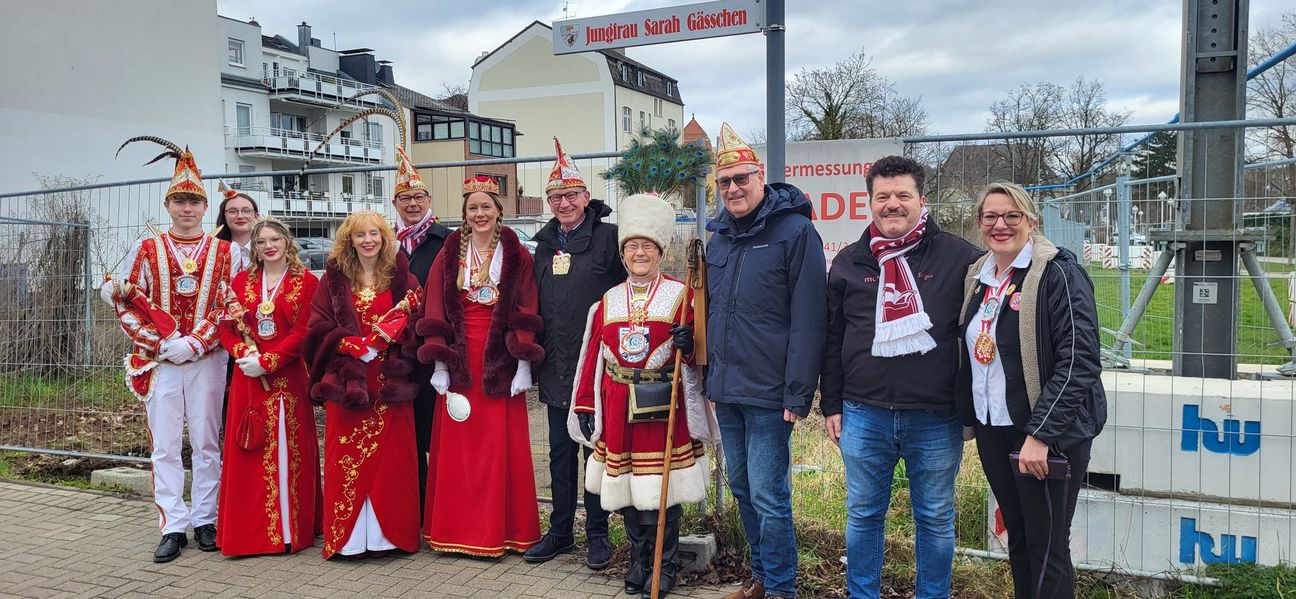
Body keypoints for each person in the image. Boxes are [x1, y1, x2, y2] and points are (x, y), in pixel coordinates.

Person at [819, 155, 981, 599]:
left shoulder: (962, 259)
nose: (892, 204)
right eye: (883, 196)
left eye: (902, 195)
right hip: (862, 413)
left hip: (935, 416)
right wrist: (831, 404)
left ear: (921, 200)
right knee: (864, 514)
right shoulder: (850, 262)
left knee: (933, 516)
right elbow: (833, 339)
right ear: (869, 202)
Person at [955, 182, 1105, 599]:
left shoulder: (1058, 273)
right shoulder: (979, 276)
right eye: (990, 217)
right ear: (980, 223)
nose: (1000, 225)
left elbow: (1080, 361)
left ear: (1031, 221)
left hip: (1044, 434)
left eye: (1011, 216)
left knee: (1048, 546)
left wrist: (1040, 436)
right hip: (994, 428)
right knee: (1019, 538)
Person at [568, 193, 718, 598]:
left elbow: (702, 351)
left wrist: (692, 340)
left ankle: (663, 567)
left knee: (662, 488)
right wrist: (584, 404)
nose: (639, 253)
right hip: (617, 406)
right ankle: (639, 559)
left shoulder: (681, 295)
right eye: (632, 247)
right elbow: (591, 359)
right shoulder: (607, 303)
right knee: (629, 490)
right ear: (622, 254)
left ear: (660, 251)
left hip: (663, 406)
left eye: (647, 247)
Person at [705, 124, 827, 599]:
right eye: (725, 182)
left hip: (772, 393)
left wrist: (798, 392)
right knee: (740, 486)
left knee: (770, 496)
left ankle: (781, 588)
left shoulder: (795, 232)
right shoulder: (718, 240)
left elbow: (810, 319)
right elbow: (713, 308)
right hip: (727, 388)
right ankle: (760, 576)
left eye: (742, 179)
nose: (733, 188)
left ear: (761, 177)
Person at [101, 138, 234, 562]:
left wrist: (197, 340)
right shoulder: (145, 249)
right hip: (160, 362)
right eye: (179, 200)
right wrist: (159, 342)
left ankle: (206, 519)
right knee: (165, 445)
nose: (187, 208)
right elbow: (125, 301)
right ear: (168, 204)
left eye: (194, 201)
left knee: (208, 441)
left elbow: (231, 304)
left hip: (207, 359)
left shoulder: (227, 252)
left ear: (203, 205)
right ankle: (172, 525)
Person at [416, 175, 544, 557]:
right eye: (473, 207)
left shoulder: (516, 251)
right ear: (465, 213)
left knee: (499, 447)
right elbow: (435, 304)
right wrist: (439, 361)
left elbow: (526, 305)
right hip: (459, 362)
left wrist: (523, 361)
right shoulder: (450, 250)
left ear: (498, 211)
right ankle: (456, 531)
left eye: (486, 206)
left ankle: (505, 532)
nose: (479, 213)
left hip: (499, 361)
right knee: (459, 449)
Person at [525, 137, 625, 568]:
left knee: (594, 452)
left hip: (598, 367)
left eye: (570, 195)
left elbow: (627, 295)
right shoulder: (544, 245)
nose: (564, 203)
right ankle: (561, 532)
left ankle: (598, 534)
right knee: (560, 454)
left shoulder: (610, 239)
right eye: (556, 197)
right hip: (555, 364)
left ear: (586, 196)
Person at [304, 211, 423, 560]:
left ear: (385, 238)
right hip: (349, 384)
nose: (368, 240)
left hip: (390, 385)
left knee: (392, 462)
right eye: (360, 235)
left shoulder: (404, 279)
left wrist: (394, 338)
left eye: (374, 233)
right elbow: (317, 327)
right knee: (346, 458)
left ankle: (390, 537)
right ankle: (350, 539)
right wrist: (348, 344)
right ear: (349, 240)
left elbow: (418, 323)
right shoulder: (333, 281)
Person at [216, 217, 321, 556]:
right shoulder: (240, 282)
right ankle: (253, 534)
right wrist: (242, 352)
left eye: (274, 238)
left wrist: (270, 360)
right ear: (255, 249)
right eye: (261, 242)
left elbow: (304, 332)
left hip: (288, 379)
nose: (269, 246)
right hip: (249, 380)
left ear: (287, 242)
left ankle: (291, 533)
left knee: (290, 452)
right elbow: (227, 329)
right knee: (252, 449)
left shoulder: (306, 283)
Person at [389, 147, 450, 513]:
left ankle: (441, 509)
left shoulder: (446, 242)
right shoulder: (383, 243)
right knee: (405, 435)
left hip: (431, 351)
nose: (412, 203)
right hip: (395, 353)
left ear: (429, 199)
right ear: (395, 202)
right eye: (405, 198)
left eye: (418, 197)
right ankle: (414, 506)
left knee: (436, 433)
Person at [214, 180, 260, 275]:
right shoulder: (213, 250)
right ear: (224, 216)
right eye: (232, 211)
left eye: (246, 211)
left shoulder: (268, 248)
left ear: (256, 216)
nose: (240, 216)